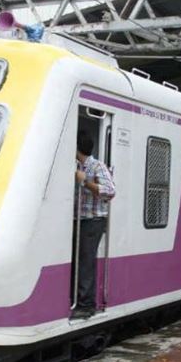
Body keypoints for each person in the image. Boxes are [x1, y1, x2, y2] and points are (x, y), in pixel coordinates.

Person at [73, 133, 115, 319]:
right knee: (78, 260)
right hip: (79, 219)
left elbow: (110, 191)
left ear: (77, 148)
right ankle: (76, 299)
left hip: (93, 220)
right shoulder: (75, 166)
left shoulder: (97, 166)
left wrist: (85, 182)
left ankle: (87, 305)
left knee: (86, 261)